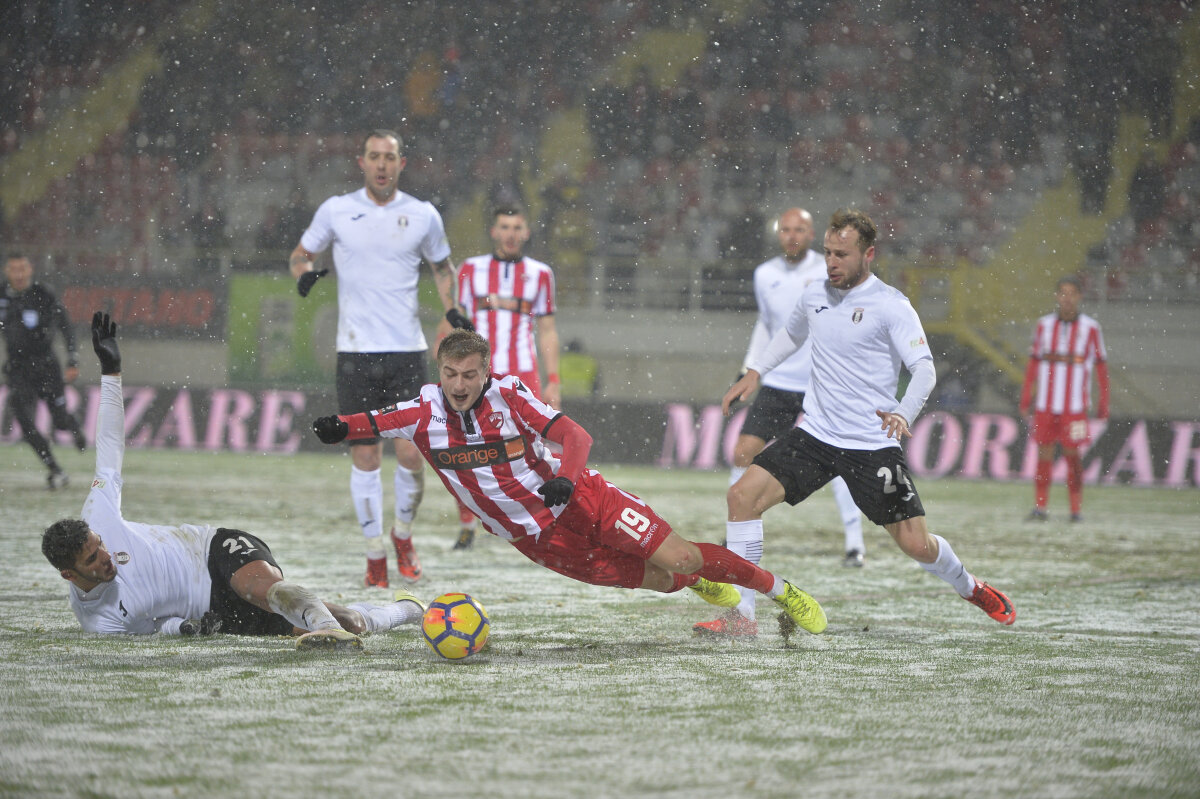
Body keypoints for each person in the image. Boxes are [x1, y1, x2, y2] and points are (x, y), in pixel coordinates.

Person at [312, 329, 829, 641]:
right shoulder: (421, 411)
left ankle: (780, 590)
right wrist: (338, 426)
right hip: (538, 541)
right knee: (656, 579)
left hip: (583, 499)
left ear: (485, 372)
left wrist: (563, 478)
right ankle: (698, 586)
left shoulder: (509, 396)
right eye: (451, 373)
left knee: (684, 557)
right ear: (439, 371)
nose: (460, 385)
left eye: (470, 374)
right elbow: (368, 423)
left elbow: (575, 435)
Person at [40, 312, 425, 650]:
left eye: (99, 546)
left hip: (210, 549)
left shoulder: (98, 516)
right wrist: (186, 628)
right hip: (214, 609)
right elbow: (153, 627)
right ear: (69, 574)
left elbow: (109, 446)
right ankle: (405, 610)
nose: (105, 556)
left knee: (259, 590)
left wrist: (111, 373)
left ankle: (326, 631)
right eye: (92, 558)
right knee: (353, 622)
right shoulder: (98, 622)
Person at [721, 208, 1015, 628]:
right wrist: (756, 372)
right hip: (816, 436)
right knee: (741, 497)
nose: (831, 262)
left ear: (868, 254)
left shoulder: (891, 305)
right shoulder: (814, 294)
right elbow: (791, 334)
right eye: (826, 253)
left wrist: (903, 411)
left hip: (872, 444)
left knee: (916, 545)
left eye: (841, 254)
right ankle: (742, 615)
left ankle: (970, 586)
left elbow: (924, 369)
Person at [288, 129, 473, 589]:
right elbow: (300, 254)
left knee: (411, 454)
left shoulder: (423, 214)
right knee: (365, 458)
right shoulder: (336, 210)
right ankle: (375, 555)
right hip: (354, 352)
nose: (382, 165)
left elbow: (443, 267)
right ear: (362, 162)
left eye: (389, 157)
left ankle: (403, 537)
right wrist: (304, 276)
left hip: (406, 353)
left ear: (401, 164)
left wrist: (452, 309)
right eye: (374, 157)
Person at [696, 208, 867, 638]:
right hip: (778, 381)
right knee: (742, 452)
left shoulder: (830, 271)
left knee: (839, 459)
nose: (792, 236)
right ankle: (741, 528)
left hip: (818, 383)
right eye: (786, 230)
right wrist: (749, 370)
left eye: (800, 230)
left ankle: (854, 543)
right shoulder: (764, 274)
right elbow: (768, 326)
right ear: (779, 235)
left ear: (812, 235)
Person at [433, 205, 562, 550]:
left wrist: (554, 379)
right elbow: (452, 320)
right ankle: (467, 525)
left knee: (529, 450)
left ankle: (537, 521)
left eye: (516, 227)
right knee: (463, 448)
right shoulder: (470, 270)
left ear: (526, 233)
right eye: (504, 226)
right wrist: (441, 359)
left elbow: (547, 330)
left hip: (521, 374)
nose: (510, 233)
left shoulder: (541, 274)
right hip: (476, 375)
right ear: (493, 231)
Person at [1018, 276, 1109, 522]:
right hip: (1046, 407)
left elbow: (1101, 367)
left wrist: (1103, 401)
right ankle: (1040, 508)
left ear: (1079, 296)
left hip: (1075, 408)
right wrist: (1027, 397)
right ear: (1056, 296)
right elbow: (1033, 365)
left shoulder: (1091, 328)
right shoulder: (1043, 326)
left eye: (1072, 293)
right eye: (1062, 293)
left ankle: (1075, 510)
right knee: (1044, 454)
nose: (1067, 298)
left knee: (1073, 457)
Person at [1, 252, 86, 489]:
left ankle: (73, 426)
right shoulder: (2, 295)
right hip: (18, 370)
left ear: (30, 270)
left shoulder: (43, 295)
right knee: (23, 419)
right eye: (13, 270)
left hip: (46, 367)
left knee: (59, 421)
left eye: (22, 269)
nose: (18, 275)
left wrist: (72, 359)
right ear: (7, 271)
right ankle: (54, 468)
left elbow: (66, 326)